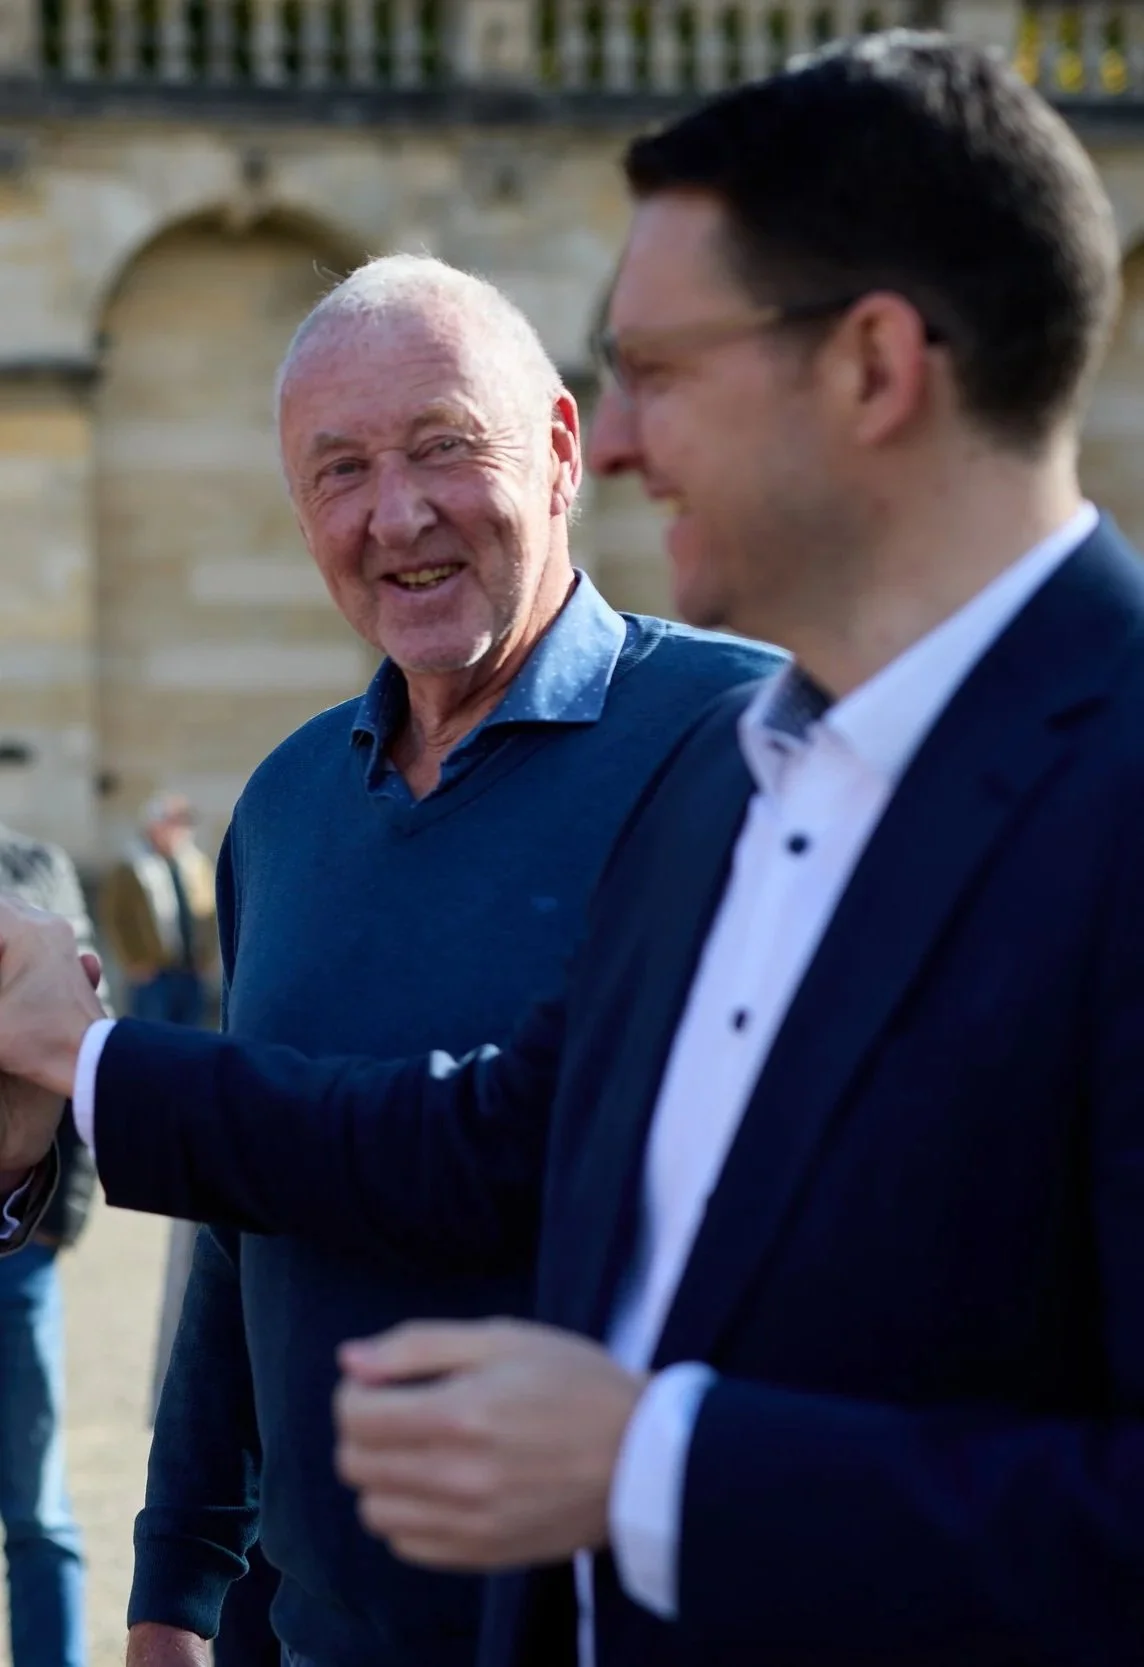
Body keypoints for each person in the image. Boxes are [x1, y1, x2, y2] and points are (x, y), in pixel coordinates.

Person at [1, 28, 1143, 1667]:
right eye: (339, 467)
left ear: (874, 367)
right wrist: (78, 1074)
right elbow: (474, 1140)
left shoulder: (782, 749)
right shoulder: (758, 772)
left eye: (657, 369)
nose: (611, 440)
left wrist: (642, 1464)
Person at [66, 257, 781, 1667]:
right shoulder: (281, 806)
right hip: (315, 1632)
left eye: (445, 445)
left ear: (565, 450)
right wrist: (177, 1580)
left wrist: (76, 1068)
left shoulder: (744, 738)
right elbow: (239, 1213)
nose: (396, 514)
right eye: (339, 470)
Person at [0, 822, 96, 1667]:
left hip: (17, 1240)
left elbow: (90, 1037)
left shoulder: (37, 866)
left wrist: (62, 1206)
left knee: (36, 1504)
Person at [98, 792, 217, 1029]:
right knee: (154, 1037)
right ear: (154, 825)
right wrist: (133, 961)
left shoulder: (196, 863)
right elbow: (115, 917)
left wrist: (209, 956)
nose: (179, 831)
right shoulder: (131, 865)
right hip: (153, 973)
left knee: (193, 1038)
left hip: (191, 969)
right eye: (172, 823)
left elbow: (209, 914)